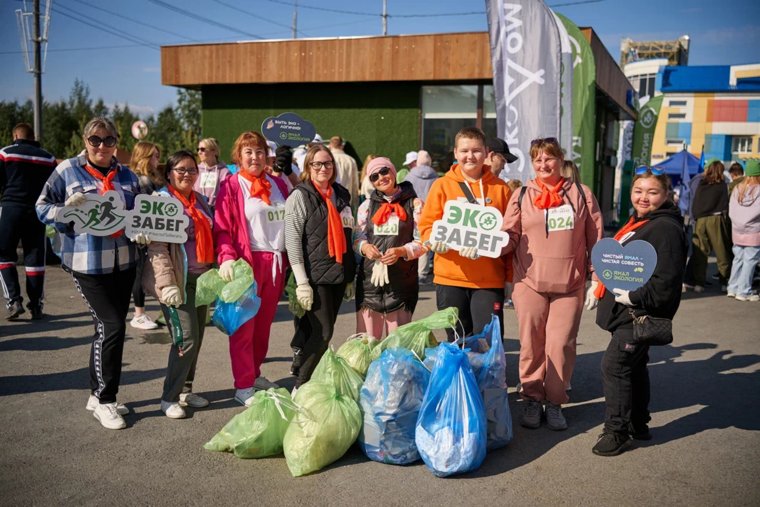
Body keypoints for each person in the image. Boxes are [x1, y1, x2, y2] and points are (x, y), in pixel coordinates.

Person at [36, 116, 140, 430]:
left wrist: (142, 229)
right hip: (87, 264)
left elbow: (137, 214)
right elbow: (41, 207)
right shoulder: (67, 170)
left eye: (109, 140)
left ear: (117, 143)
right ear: (85, 140)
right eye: (96, 139)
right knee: (112, 326)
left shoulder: (128, 175)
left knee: (107, 329)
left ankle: (96, 395)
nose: (102, 145)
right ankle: (106, 399)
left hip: (123, 262)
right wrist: (65, 210)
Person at [501, 137, 602, 431]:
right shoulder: (521, 195)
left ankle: (555, 401)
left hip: (570, 284)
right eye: (537, 160)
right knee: (531, 344)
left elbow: (596, 238)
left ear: (561, 160)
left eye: (549, 158)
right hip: (529, 282)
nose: (543, 165)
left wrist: (597, 278)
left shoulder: (582, 194)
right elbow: (510, 234)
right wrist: (492, 244)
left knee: (560, 346)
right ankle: (532, 397)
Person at [590, 167, 686, 456]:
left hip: (637, 314)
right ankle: (638, 425)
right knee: (634, 366)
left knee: (615, 367)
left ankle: (617, 432)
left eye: (652, 192)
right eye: (638, 191)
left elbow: (666, 282)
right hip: (630, 313)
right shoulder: (642, 222)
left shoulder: (665, 228)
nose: (643, 197)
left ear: (666, 194)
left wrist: (633, 295)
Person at [214, 131, 290, 406]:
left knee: (263, 327)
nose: (254, 157)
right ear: (239, 156)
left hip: (276, 263)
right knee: (244, 326)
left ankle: (254, 373)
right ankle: (243, 385)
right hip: (247, 264)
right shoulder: (233, 186)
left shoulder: (277, 184)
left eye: (259, 151)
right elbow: (222, 227)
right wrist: (226, 257)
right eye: (248, 152)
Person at [418, 126, 512, 341]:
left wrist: (510, 278)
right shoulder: (441, 186)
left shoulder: (501, 189)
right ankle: (461, 377)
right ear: (455, 153)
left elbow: (510, 235)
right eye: (464, 151)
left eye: (476, 150)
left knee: (488, 341)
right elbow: (427, 225)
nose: (470, 156)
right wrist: (434, 241)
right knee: (457, 340)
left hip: (488, 280)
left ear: (487, 153)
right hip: (450, 277)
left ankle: (488, 377)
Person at [143, 151, 214, 418]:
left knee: (199, 337)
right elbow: (158, 248)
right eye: (181, 170)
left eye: (192, 170)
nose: (187, 174)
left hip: (202, 279)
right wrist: (167, 284)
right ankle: (168, 397)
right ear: (169, 173)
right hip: (177, 282)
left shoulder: (202, 201)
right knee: (186, 338)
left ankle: (185, 389)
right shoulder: (162, 201)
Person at [285, 144, 356, 390]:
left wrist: (349, 275)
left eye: (328, 163)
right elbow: (292, 240)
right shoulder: (300, 195)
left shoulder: (342, 194)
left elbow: (348, 234)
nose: (323, 168)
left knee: (321, 331)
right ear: (308, 168)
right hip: (314, 276)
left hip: (338, 271)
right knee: (323, 332)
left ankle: (305, 372)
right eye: (317, 164)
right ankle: (301, 385)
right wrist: (302, 282)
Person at [353, 156, 425, 338]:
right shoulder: (366, 206)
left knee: (397, 344)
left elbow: (422, 242)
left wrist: (401, 251)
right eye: (374, 176)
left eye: (384, 171)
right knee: (368, 342)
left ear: (393, 172)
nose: (381, 178)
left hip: (401, 281)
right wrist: (365, 247)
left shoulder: (415, 204)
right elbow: (357, 237)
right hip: (370, 281)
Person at [0, 122, 56, 320]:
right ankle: (36, 306)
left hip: (10, 209)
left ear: (16, 136)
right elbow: (54, 188)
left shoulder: (5, 153)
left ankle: (14, 301)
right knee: (34, 258)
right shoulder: (48, 158)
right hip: (37, 211)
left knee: (4, 255)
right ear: (33, 137)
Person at [684, 160, 733, 292]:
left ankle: (699, 284)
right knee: (722, 252)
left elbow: (695, 201)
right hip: (716, 219)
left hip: (700, 220)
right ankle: (724, 282)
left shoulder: (701, 182)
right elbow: (725, 204)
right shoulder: (722, 184)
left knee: (700, 253)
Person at [128, 141, 162, 330]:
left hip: (148, 233)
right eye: (155, 155)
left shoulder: (147, 178)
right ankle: (138, 314)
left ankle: (141, 312)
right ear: (145, 157)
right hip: (142, 235)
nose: (158, 159)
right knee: (139, 274)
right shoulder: (142, 180)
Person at [727, 159, 760, 301]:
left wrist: (738, 222)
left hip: (737, 229)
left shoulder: (738, 188)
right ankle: (744, 291)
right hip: (754, 230)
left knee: (738, 259)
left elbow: (731, 211)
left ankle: (732, 288)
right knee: (750, 261)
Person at [404, 149, 438, 283]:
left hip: (412, 212)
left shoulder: (409, 177)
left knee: (411, 240)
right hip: (431, 213)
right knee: (426, 241)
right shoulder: (437, 178)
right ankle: (422, 274)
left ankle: (410, 271)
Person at [194, 137, 230, 214]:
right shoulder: (195, 170)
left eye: (203, 149)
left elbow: (229, 195)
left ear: (214, 151)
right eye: (198, 149)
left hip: (218, 213)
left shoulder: (225, 172)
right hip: (198, 212)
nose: (199, 152)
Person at [329, 135, 360, 211]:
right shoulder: (351, 160)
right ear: (342, 146)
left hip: (329, 198)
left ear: (330, 145)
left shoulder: (328, 158)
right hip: (346, 200)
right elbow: (355, 184)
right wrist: (355, 203)